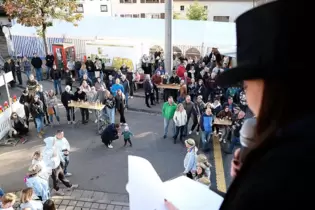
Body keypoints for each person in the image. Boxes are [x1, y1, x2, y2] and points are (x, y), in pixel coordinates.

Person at [164, 2, 315, 210]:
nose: (244, 90)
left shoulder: (282, 168)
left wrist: (254, 179)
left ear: (268, 85)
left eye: (246, 82)